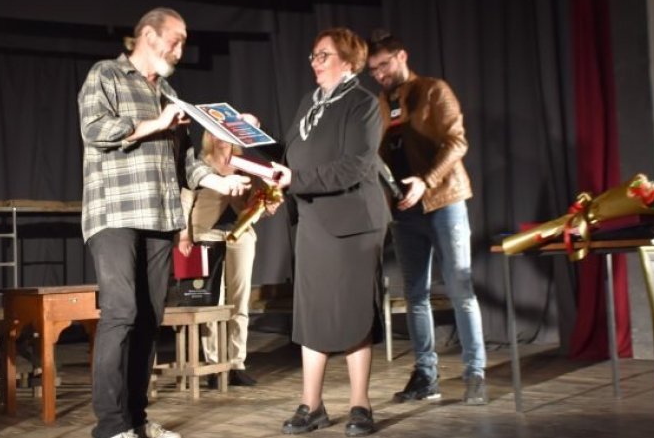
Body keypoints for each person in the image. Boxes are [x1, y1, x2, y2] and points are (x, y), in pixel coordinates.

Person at [78, 7, 252, 438]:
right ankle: (111, 426)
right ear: (149, 36)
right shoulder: (106, 75)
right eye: (176, 39)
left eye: (183, 42)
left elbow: (186, 161)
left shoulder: (170, 93)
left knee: (149, 318)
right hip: (115, 212)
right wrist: (154, 123)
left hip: (159, 216)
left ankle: (137, 420)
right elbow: (94, 129)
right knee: (121, 312)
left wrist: (220, 180)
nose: (180, 49)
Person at [272, 27, 390, 437]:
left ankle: (360, 405)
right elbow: (292, 157)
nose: (315, 62)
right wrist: (252, 139)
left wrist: (295, 179)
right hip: (313, 221)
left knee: (354, 312)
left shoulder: (363, 103)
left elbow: (355, 166)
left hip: (353, 224)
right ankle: (312, 405)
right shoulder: (310, 103)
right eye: (313, 55)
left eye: (323, 55)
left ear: (349, 61)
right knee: (312, 313)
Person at [366, 30, 487, 405]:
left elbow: (457, 141)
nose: (380, 75)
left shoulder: (434, 90)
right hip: (405, 210)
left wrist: (426, 180)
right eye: (373, 70)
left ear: (402, 56)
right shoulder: (381, 103)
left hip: (444, 201)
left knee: (460, 289)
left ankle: (475, 374)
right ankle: (425, 376)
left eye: (384, 65)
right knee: (415, 295)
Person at [177, 130, 276, 389]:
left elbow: (257, 202)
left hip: (239, 235)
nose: (220, 136)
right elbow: (185, 201)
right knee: (212, 302)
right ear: (208, 136)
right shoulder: (199, 165)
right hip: (205, 234)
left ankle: (235, 364)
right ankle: (213, 364)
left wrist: (268, 206)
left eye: (226, 131)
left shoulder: (245, 166)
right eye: (214, 131)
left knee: (239, 300)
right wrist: (184, 236)